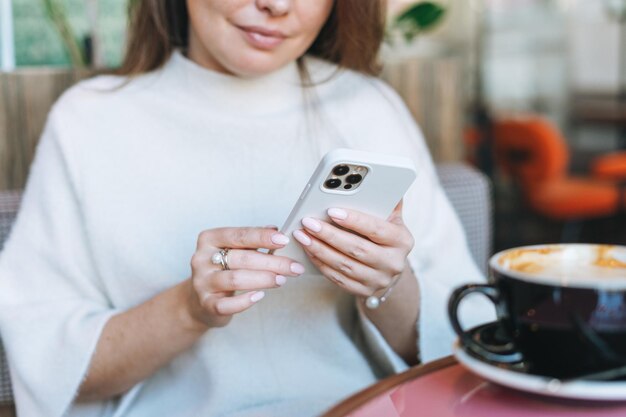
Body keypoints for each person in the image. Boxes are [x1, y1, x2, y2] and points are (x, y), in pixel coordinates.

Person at [0, 1, 492, 416]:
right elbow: (52, 365)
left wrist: (387, 284)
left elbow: (465, 339)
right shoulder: (89, 122)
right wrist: (191, 307)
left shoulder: (369, 107)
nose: (277, 5)